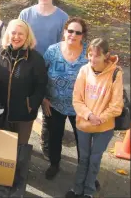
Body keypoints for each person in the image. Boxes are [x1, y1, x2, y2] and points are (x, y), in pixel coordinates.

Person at [65, 38, 123, 198]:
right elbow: (76, 99)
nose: (92, 59)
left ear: (106, 55)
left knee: (95, 159)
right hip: (84, 124)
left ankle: (89, 191)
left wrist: (100, 118)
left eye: (96, 56)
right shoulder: (84, 70)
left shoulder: (115, 73)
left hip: (104, 127)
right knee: (83, 158)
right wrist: (89, 115)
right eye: (90, 55)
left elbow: (117, 105)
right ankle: (77, 189)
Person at [19, 0, 69, 159]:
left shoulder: (62, 17)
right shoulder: (26, 14)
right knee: (27, 105)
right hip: (27, 67)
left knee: (49, 108)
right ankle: (20, 142)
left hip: (51, 69)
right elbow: (18, 38)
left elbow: (64, 45)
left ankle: (47, 145)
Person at [43, 17, 89, 180]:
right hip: (54, 104)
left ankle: (86, 171)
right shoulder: (52, 50)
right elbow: (41, 75)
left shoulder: (89, 53)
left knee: (83, 141)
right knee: (54, 136)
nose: (73, 35)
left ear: (82, 35)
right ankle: (54, 164)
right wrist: (43, 98)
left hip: (81, 108)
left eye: (78, 32)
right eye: (70, 31)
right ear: (64, 32)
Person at [0, 19, 47, 145]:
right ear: (8, 34)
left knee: (20, 148)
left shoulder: (36, 59)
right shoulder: (1, 54)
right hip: (2, 113)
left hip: (24, 115)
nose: (16, 37)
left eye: (21, 34)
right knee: (4, 148)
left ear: (27, 36)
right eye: (13, 33)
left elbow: (41, 86)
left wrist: (31, 105)